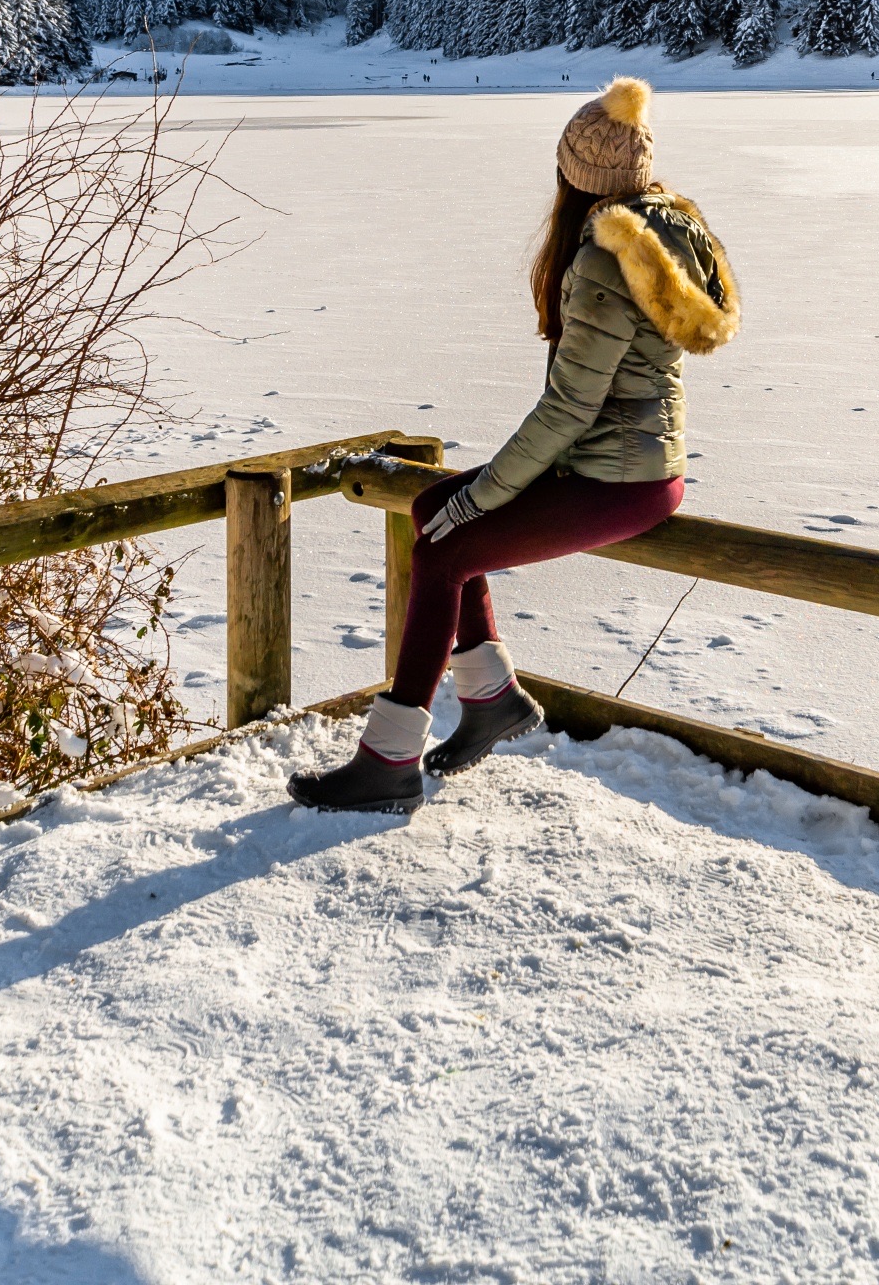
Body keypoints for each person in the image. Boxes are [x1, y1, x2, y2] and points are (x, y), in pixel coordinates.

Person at [289, 77, 740, 811]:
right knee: (434, 505)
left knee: (443, 544)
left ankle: (390, 760)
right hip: (630, 465)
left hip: (619, 478)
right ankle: (491, 697)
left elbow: (568, 408)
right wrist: (464, 497)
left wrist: (482, 496)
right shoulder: (666, 229)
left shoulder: (605, 259)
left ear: (574, 175)